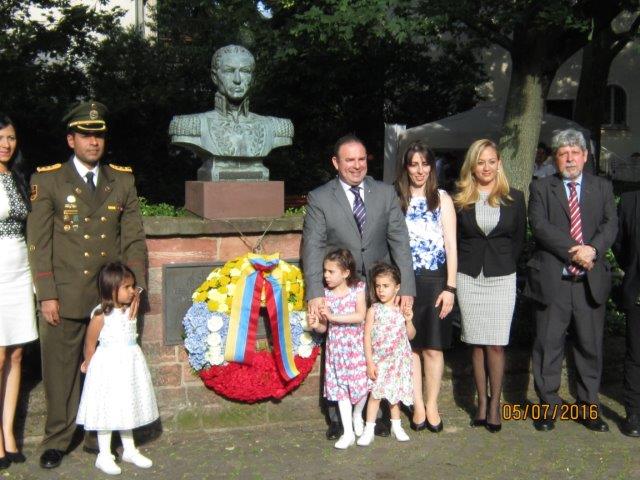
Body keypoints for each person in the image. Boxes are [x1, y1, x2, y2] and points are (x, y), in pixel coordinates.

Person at [27, 101, 148, 469]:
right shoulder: (47, 180)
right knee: (61, 372)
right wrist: (46, 294)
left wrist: (135, 289)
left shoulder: (121, 179)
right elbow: (40, 242)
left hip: (109, 297)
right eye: (85, 135)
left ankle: (105, 438)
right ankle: (58, 439)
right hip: (64, 294)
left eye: (98, 136)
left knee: (110, 371)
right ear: (71, 139)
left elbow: (132, 239)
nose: (93, 142)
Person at [302, 134, 415, 439]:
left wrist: (407, 288)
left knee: (375, 350)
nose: (356, 165)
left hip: (378, 288)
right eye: (349, 160)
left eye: (362, 159)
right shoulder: (320, 198)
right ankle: (338, 418)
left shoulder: (385, 193)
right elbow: (312, 247)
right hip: (341, 291)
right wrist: (314, 293)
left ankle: (372, 415)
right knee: (339, 352)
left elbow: (400, 242)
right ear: (336, 163)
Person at [526, 128, 617, 433]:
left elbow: (610, 224)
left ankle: (588, 409)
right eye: (563, 153)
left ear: (586, 156)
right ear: (555, 158)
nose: (569, 159)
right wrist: (574, 251)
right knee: (547, 347)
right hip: (555, 282)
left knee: (590, 349)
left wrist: (592, 249)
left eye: (574, 153)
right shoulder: (541, 188)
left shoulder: (602, 187)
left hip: (589, 283)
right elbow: (539, 226)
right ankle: (548, 407)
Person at [453, 139, 526, 433]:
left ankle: (495, 404)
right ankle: (480, 403)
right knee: (475, 342)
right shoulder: (461, 199)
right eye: (480, 162)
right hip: (469, 277)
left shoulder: (515, 198)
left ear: (499, 163)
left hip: (501, 278)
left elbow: (519, 240)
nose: (486, 167)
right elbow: (456, 241)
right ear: (473, 165)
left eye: (491, 161)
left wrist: (504, 264)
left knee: (495, 343)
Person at [395, 141, 457, 433]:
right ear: (406, 167)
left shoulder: (442, 199)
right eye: (413, 164)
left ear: (431, 166)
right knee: (411, 349)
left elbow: (452, 246)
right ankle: (417, 403)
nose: (419, 170)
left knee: (433, 347)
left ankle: (432, 403)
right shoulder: (397, 198)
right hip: (407, 283)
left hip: (435, 283)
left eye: (424, 163)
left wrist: (451, 288)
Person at [77, 262, 158, 475]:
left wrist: (136, 292)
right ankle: (104, 455)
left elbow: (137, 292)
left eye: (133, 287)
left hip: (129, 365)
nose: (132, 291)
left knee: (126, 404)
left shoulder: (131, 307)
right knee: (107, 408)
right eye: (127, 287)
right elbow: (90, 343)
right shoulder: (100, 315)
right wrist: (89, 364)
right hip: (107, 368)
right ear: (111, 289)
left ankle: (129, 449)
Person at [169, 44, 294, 181]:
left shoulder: (276, 127)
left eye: (245, 71)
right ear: (215, 77)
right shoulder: (190, 125)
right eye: (229, 71)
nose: (237, 79)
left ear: (252, 78)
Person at [0, 114, 38, 468]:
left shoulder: (18, 178)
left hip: (19, 273)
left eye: (11, 138)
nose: (6, 144)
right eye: (1, 138)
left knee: (16, 356)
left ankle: (9, 434)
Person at [308, 249, 368, 449]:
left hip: (356, 347)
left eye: (331, 271)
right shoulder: (325, 295)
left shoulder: (358, 289)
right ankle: (348, 432)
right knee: (341, 390)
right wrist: (315, 324)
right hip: (336, 350)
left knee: (362, 386)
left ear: (346, 273)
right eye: (325, 271)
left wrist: (334, 318)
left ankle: (358, 414)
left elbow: (360, 315)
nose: (326, 275)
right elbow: (324, 327)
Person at [357, 263, 415, 446]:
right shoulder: (373, 309)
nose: (381, 290)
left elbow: (411, 335)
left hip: (398, 362)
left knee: (394, 396)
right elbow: (366, 336)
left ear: (397, 287)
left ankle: (396, 426)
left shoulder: (401, 310)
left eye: (386, 286)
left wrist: (409, 321)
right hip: (379, 361)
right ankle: (369, 429)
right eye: (378, 286)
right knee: (375, 395)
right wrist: (369, 362)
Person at [611, 192, 640, 436]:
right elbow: (618, 244)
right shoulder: (630, 202)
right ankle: (633, 413)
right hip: (639, 291)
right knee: (636, 355)